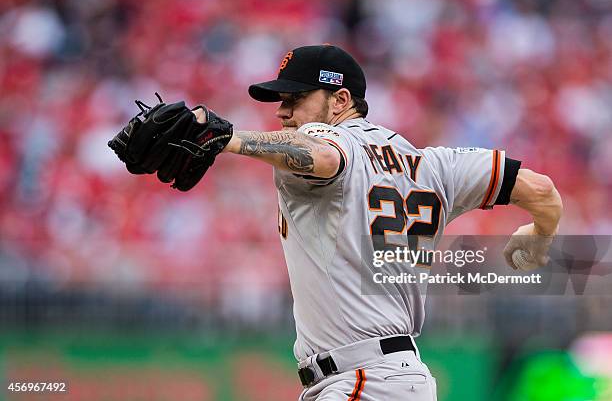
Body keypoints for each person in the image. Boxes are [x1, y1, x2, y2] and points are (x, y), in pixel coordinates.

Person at [191, 44, 563, 400]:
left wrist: (230, 139)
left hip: (362, 380)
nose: (283, 111)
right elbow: (542, 191)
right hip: (392, 376)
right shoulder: (435, 166)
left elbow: (323, 155)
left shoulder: (329, 137)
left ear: (340, 100)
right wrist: (540, 236)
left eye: (296, 98)